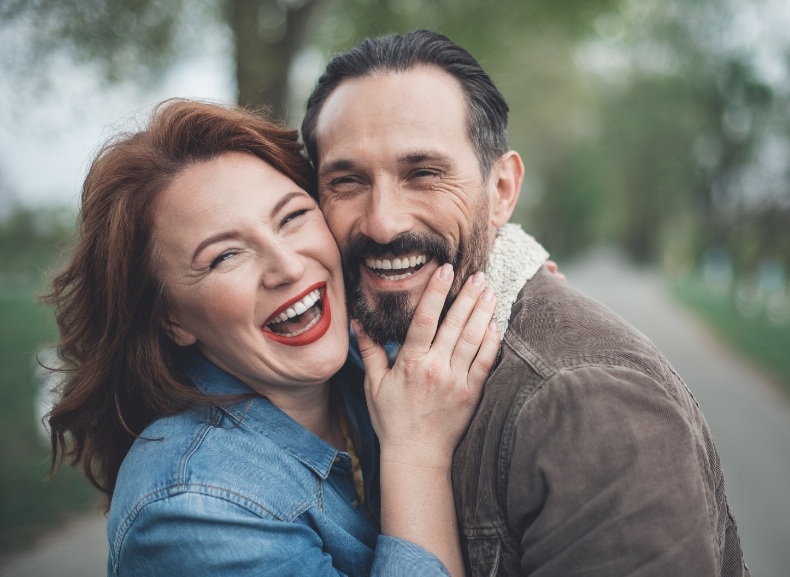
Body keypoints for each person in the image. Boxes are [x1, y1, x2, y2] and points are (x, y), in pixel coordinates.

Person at [301, 30, 750, 576]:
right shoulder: (354, 353)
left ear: (503, 191)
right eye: (347, 182)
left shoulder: (587, 405)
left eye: (423, 174)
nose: (382, 222)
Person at [44, 98, 502, 576]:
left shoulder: (367, 351)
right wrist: (416, 455)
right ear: (170, 319)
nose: (287, 266)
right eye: (224, 256)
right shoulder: (193, 508)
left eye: (291, 217)